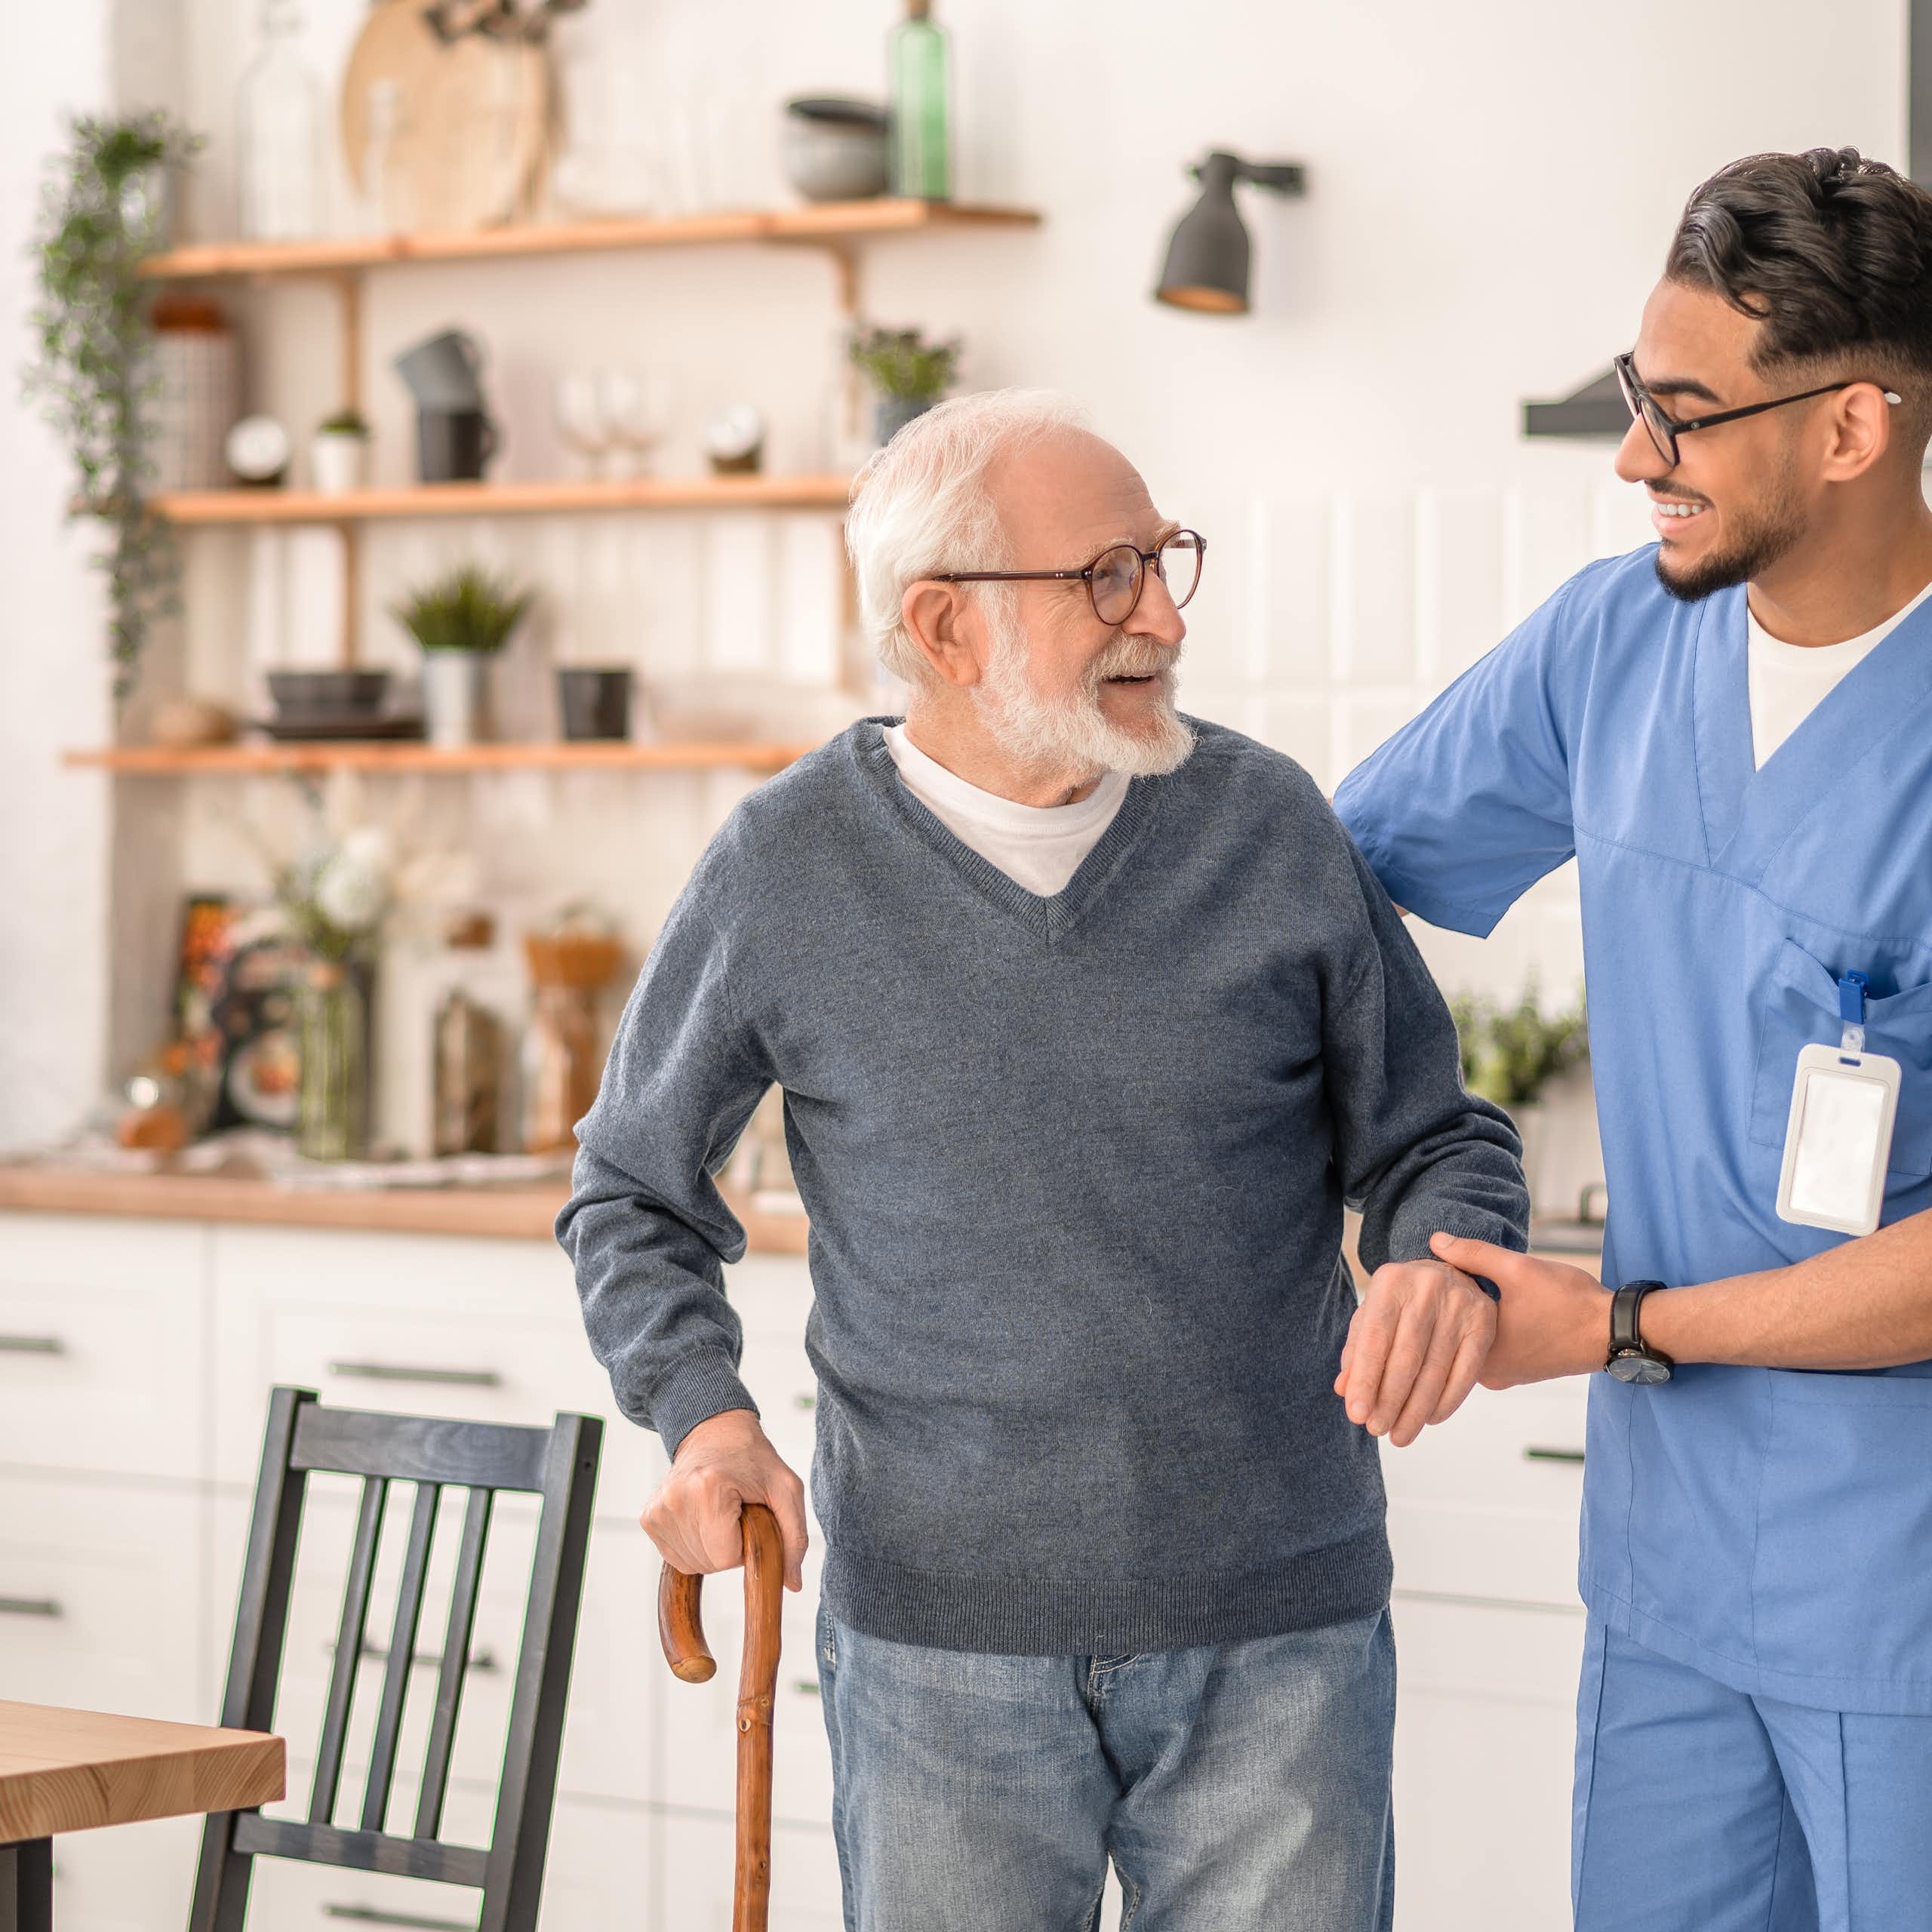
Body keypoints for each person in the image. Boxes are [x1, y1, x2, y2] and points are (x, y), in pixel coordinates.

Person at [560, 389, 1527, 1931]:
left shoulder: (1265, 823)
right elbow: (629, 1191)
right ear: (941, 626)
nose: (1159, 614)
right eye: (1104, 576)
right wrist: (702, 1414)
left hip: (1277, 1630)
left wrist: (1433, 1249)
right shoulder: (784, 864)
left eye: (1160, 561)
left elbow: (1434, 1136)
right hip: (939, 1646)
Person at [1333, 149, 1932, 1931]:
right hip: (1667, 1575)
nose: (1630, 460)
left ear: (1850, 430)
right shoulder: (1611, 647)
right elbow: (1321, 890)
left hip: (1899, 1589)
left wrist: (1611, 1322)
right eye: (1628, 396)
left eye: (1679, 414)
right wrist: (1422, 1187)